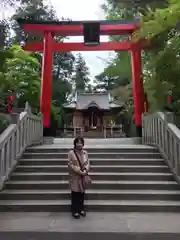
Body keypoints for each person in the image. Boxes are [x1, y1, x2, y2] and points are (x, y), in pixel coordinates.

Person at [68, 137, 90, 219]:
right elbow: (70, 165)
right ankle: (75, 210)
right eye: (78, 142)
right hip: (75, 176)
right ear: (75, 143)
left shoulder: (85, 153)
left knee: (82, 194)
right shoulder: (71, 153)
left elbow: (88, 162)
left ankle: (81, 209)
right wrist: (80, 171)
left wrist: (86, 170)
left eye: (81, 143)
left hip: (83, 176)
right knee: (75, 194)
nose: (79, 144)